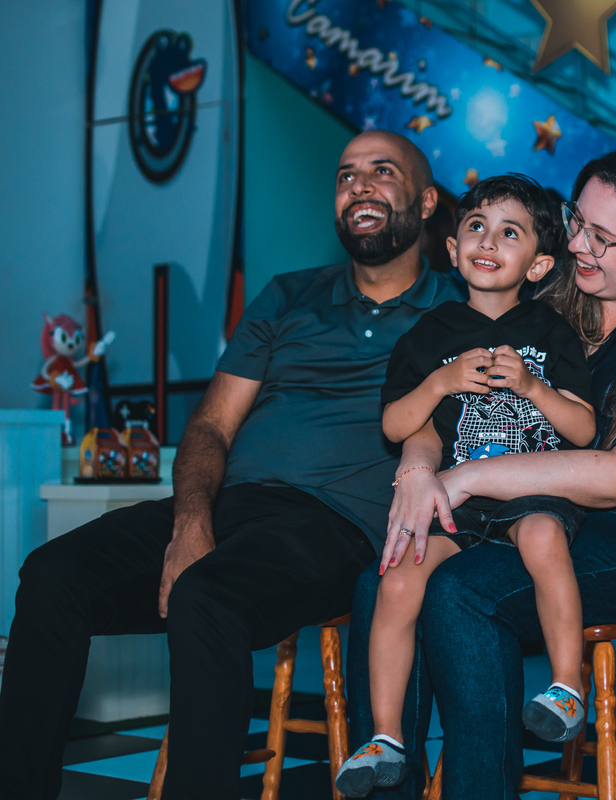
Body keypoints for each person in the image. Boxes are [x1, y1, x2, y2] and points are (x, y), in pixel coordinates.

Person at [0, 130, 464, 800]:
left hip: (337, 525)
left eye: (381, 172)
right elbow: (213, 424)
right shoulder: (288, 296)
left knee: (205, 597)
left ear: (424, 203)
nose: (358, 186)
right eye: (345, 175)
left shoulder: (459, 309)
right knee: (50, 576)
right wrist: (192, 519)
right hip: (232, 506)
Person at [345, 148, 616, 799]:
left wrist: (470, 478)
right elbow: (434, 406)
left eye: (603, 238)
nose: (579, 244)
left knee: (461, 593)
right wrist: (418, 472)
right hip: (526, 506)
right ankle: (387, 776)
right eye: (575, 222)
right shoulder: (538, 302)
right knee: (384, 576)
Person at [335, 174, 596, 797]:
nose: (488, 241)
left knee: (541, 537)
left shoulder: (551, 331)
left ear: (538, 265)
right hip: (461, 501)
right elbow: (396, 423)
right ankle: (388, 736)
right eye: (475, 227)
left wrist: (535, 389)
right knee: (394, 580)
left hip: (536, 488)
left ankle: (566, 685)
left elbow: (584, 431)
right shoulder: (429, 336)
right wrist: (440, 382)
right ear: (451, 250)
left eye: (511, 232)